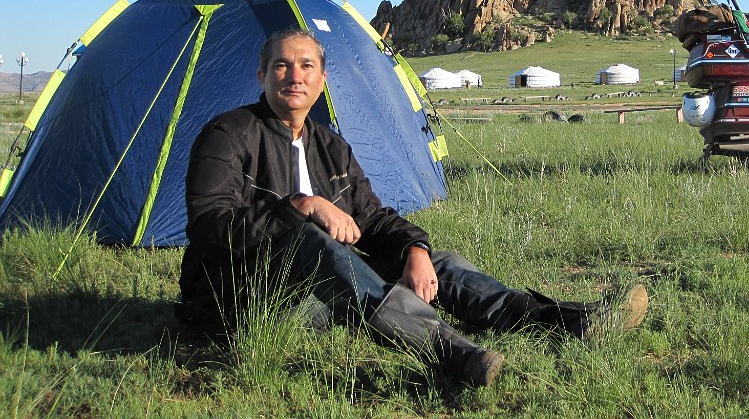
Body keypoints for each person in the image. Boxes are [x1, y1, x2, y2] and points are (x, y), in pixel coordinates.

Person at [178, 28, 648, 387]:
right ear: (262, 76)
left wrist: (415, 250)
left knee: (429, 262)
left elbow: (373, 219)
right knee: (309, 240)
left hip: (326, 296)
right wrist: (302, 206)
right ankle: (451, 351)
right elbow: (208, 226)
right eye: (281, 66)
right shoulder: (229, 134)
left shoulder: (330, 146)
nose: (294, 75)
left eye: (306, 66)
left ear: (322, 79)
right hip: (241, 301)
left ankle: (566, 322)